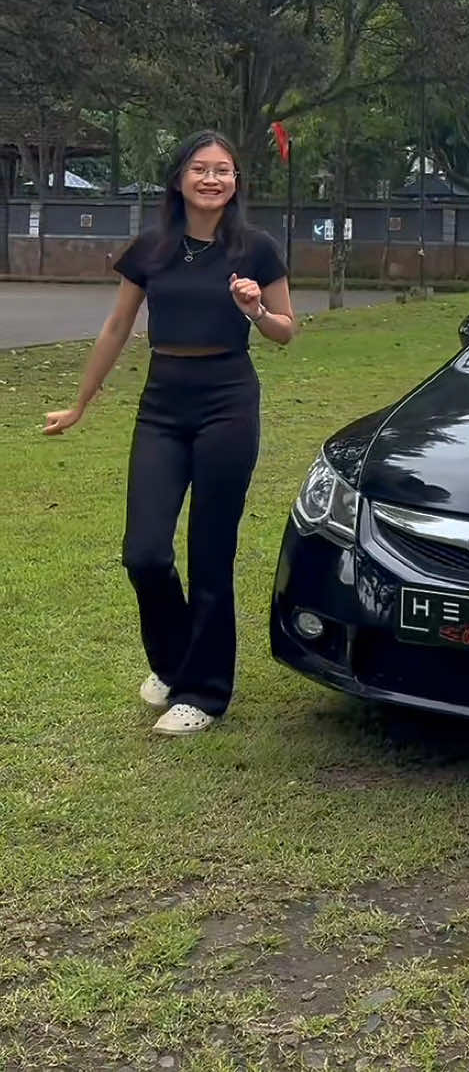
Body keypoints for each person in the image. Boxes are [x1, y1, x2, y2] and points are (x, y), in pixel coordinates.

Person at [44, 130, 295, 735]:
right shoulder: (151, 247)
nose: (212, 179)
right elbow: (116, 328)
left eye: (223, 170)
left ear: (236, 182)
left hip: (227, 401)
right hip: (162, 403)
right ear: (179, 178)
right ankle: (178, 662)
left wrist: (257, 310)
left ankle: (204, 694)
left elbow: (286, 330)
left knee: (210, 551)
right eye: (200, 169)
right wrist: (80, 404)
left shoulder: (256, 248)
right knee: (145, 552)